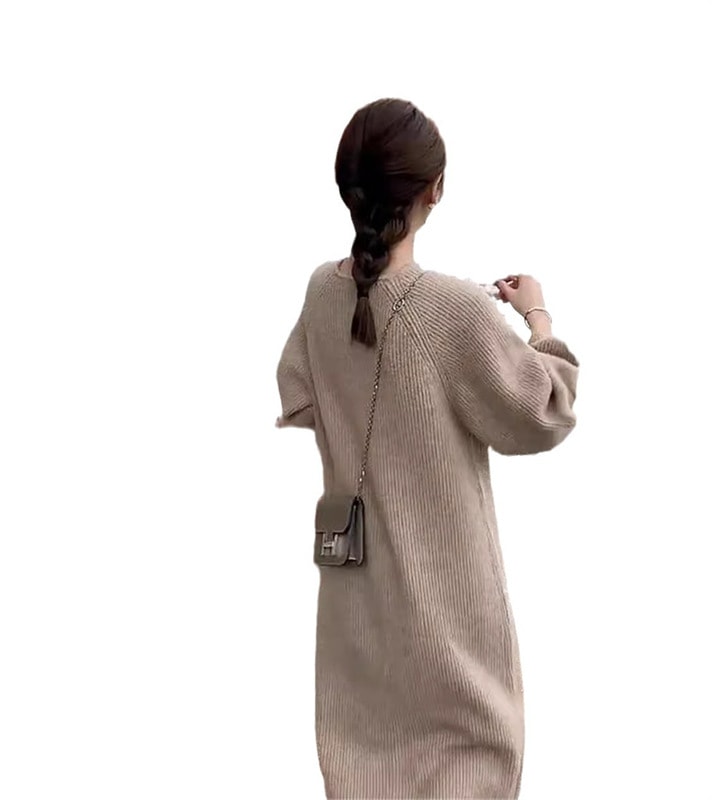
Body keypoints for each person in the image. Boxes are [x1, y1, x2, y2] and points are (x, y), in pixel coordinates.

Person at [275, 98, 579, 800]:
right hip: (447, 616)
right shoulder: (452, 310)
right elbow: (544, 411)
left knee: (364, 770)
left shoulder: (322, 292)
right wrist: (537, 318)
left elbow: (299, 398)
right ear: (434, 190)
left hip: (356, 605)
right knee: (466, 764)